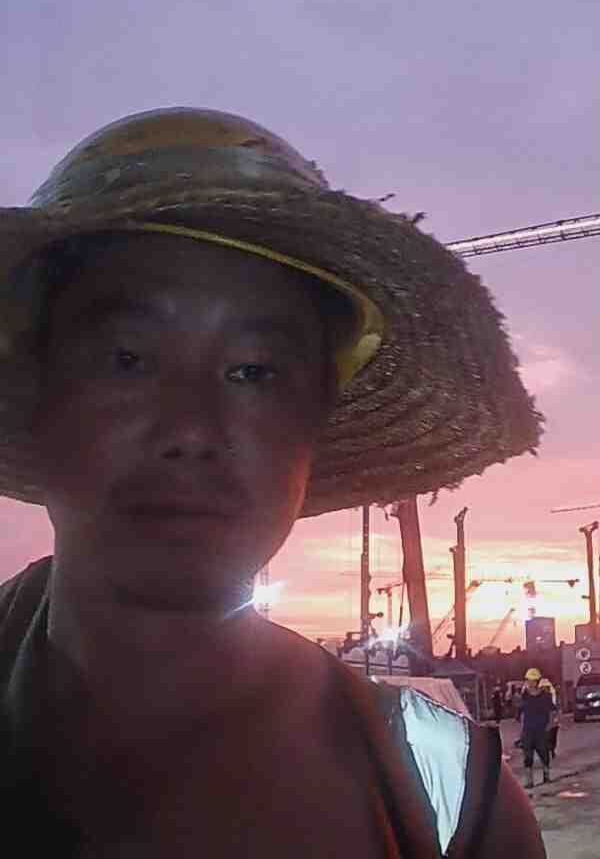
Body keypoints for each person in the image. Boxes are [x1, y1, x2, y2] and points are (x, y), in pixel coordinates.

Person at [0, 109, 546, 856]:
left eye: (253, 372)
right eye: (129, 359)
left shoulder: (449, 799)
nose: (192, 428)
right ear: (37, 396)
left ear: (314, 423)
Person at [520, 669, 555, 788]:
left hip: (541, 731)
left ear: (536, 682)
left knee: (544, 754)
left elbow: (552, 712)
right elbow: (520, 713)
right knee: (528, 757)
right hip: (528, 732)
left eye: (531, 681)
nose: (529, 683)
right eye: (527, 680)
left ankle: (546, 776)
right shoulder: (524, 696)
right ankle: (529, 781)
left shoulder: (545, 696)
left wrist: (550, 726)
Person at [539, 678, 559, 758]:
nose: (545, 689)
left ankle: (552, 749)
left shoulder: (552, 695)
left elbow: (555, 706)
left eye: (546, 687)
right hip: (544, 719)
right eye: (543, 687)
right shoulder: (539, 697)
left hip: (551, 718)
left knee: (553, 735)